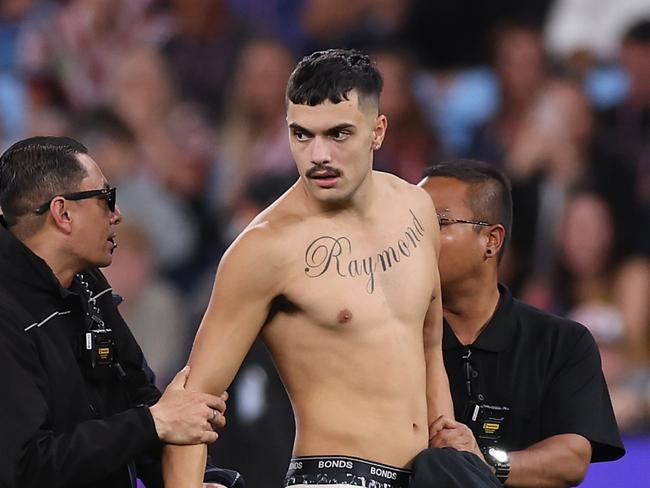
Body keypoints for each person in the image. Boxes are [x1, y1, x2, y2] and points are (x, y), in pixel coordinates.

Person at [163, 48, 473, 488]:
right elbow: (192, 403)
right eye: (302, 135)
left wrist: (448, 447)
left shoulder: (416, 206)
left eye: (339, 133)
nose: (318, 155)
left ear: (377, 130)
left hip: (426, 475)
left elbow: (428, 344)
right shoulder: (265, 247)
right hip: (332, 477)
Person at [0, 136, 239, 488]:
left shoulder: (87, 283)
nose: (118, 215)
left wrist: (199, 477)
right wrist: (152, 422)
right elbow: (26, 468)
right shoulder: (7, 316)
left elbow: (138, 394)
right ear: (63, 213)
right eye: (105, 199)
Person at [419, 159, 625, 487]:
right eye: (413, 223)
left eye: (437, 222)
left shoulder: (562, 342)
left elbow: (572, 457)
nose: (418, 236)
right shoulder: (397, 338)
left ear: (491, 240)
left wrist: (486, 463)